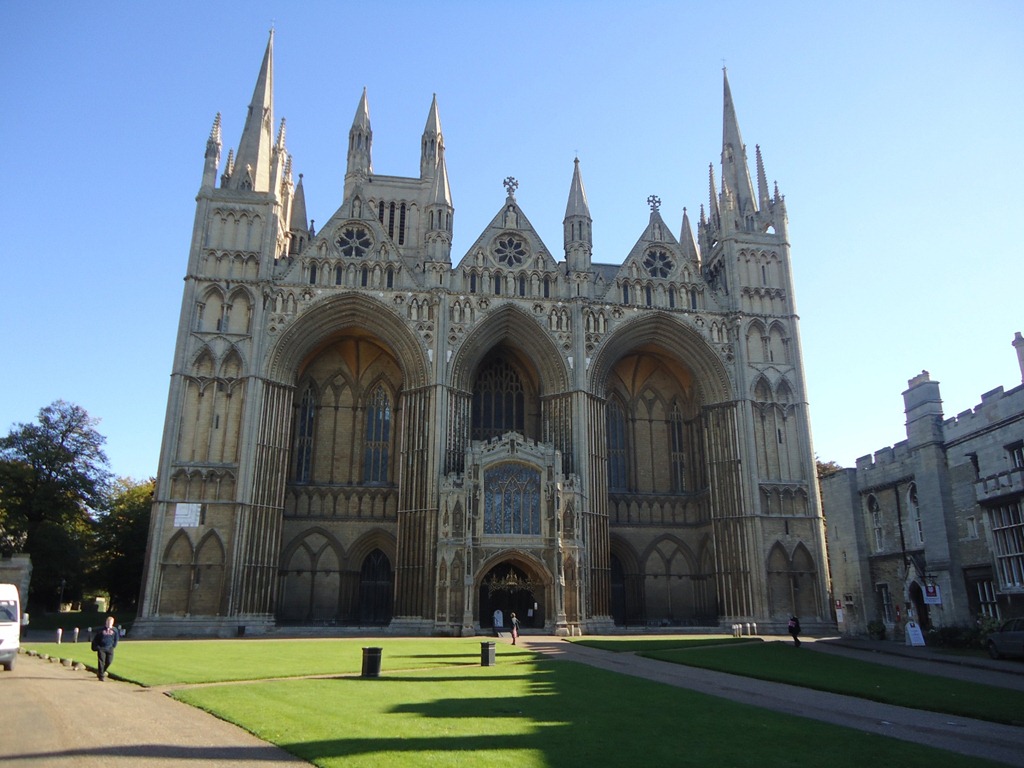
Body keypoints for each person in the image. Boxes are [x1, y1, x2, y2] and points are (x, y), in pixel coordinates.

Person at [91, 616, 119, 680]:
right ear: (106, 622)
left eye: (111, 622)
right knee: (101, 662)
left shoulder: (115, 630)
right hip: (102, 648)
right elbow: (96, 639)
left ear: (112, 623)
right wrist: (97, 647)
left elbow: (116, 639)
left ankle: (101, 672)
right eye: (108, 622)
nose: (109, 624)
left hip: (110, 648)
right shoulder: (101, 630)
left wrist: (113, 646)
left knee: (109, 661)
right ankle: (101, 676)